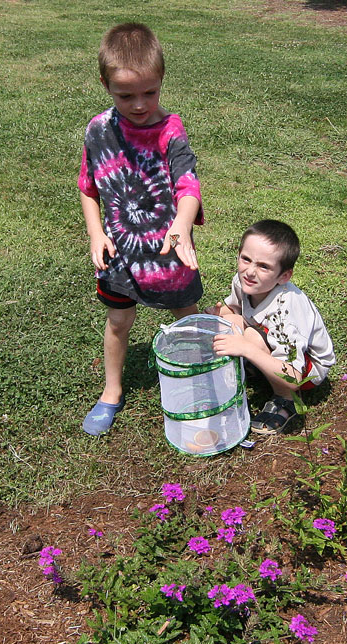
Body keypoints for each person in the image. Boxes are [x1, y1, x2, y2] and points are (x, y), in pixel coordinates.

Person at [78, 22, 203, 436]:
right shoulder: (98, 131)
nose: (139, 104)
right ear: (105, 84)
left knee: (187, 316)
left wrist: (182, 227)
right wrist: (96, 233)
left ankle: (198, 378)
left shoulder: (171, 130)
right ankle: (111, 390)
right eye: (125, 95)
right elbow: (88, 188)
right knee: (118, 320)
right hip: (120, 252)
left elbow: (188, 186)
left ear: (161, 81)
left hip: (169, 250)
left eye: (150, 93)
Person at [207, 219, 335, 435]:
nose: (250, 271)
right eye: (246, 259)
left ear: (284, 276)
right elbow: (235, 308)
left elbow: (294, 376)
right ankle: (256, 365)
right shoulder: (244, 282)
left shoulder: (286, 311)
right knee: (228, 324)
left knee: (251, 337)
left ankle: (286, 402)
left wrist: (247, 349)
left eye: (264, 266)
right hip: (270, 338)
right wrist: (220, 314)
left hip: (306, 369)